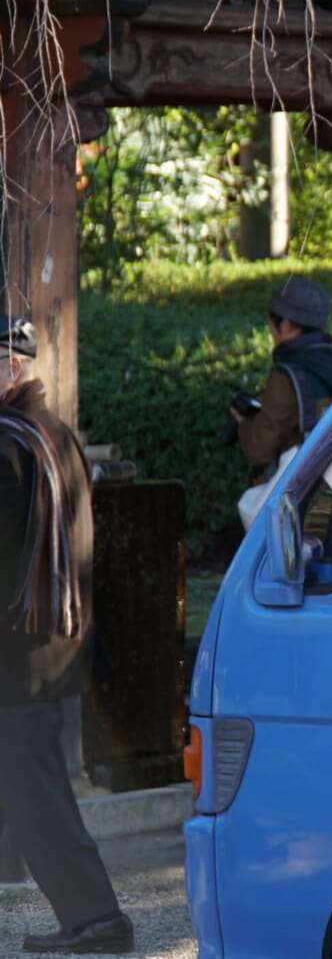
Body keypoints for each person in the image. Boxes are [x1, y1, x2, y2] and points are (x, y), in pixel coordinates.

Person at [0, 318, 133, 954]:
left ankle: (99, 919)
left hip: (22, 656)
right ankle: (88, 916)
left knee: (36, 794)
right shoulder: (49, 432)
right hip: (51, 648)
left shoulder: (10, 442)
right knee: (30, 787)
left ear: (10, 369)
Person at [233, 277, 332, 481]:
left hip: (303, 490)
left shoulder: (285, 377)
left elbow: (259, 448)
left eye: (271, 326)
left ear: (287, 325)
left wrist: (244, 424)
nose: (271, 333)